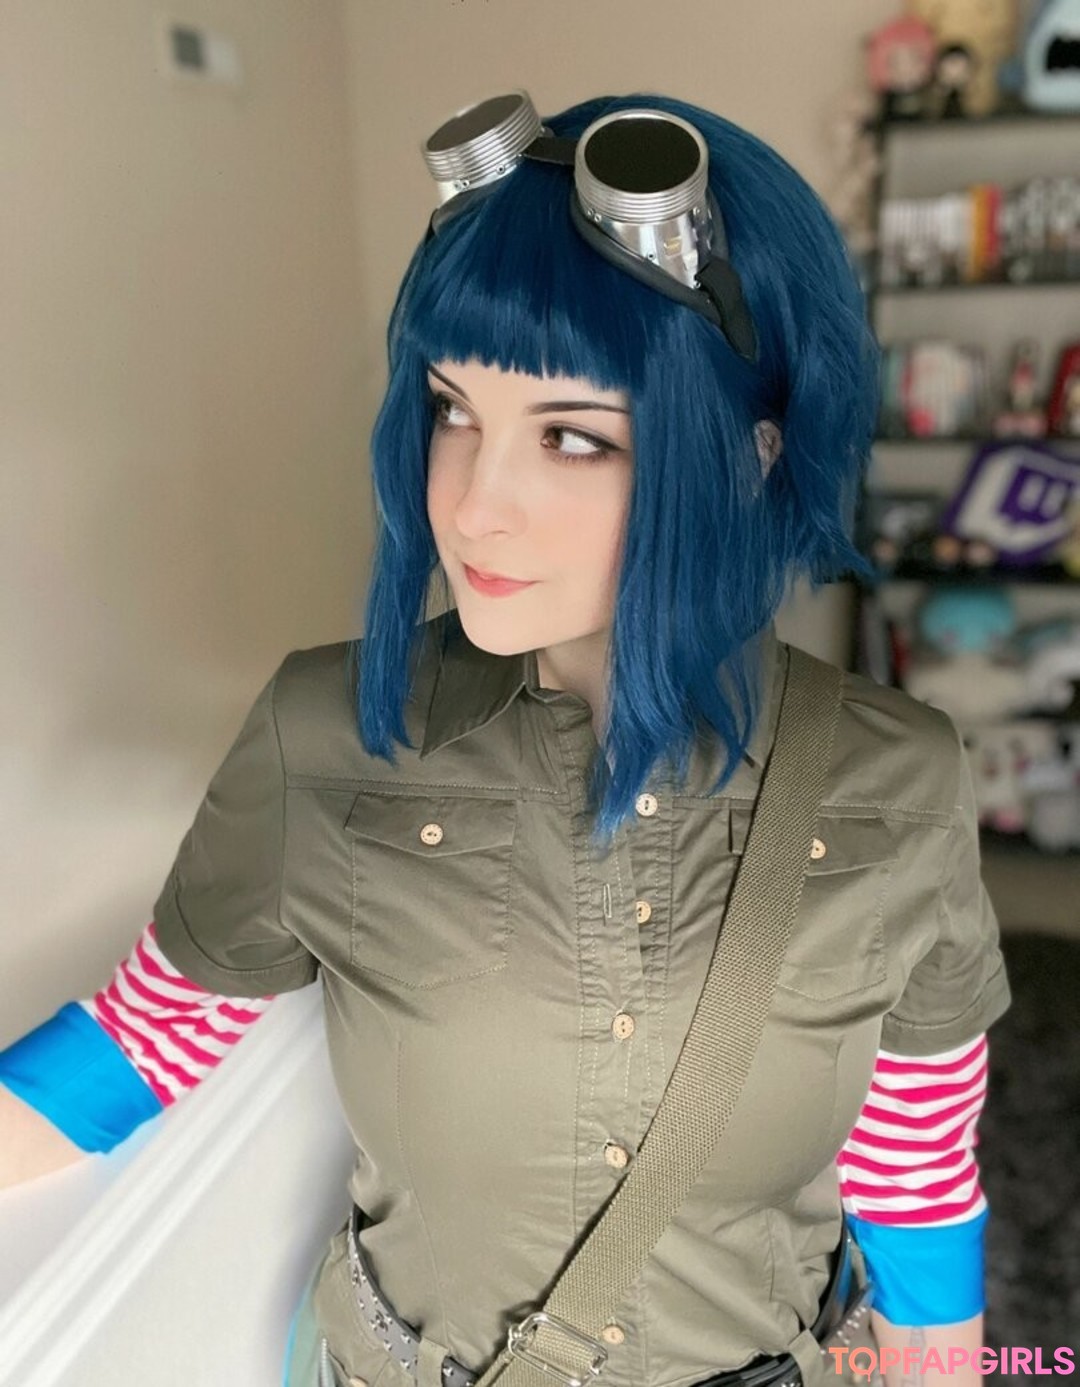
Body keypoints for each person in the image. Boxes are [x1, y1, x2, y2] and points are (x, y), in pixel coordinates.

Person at [0, 91, 1010, 1387]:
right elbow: (147, 1035)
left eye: (574, 437)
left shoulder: (899, 780)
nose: (475, 504)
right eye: (452, 410)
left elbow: (914, 1172)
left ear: (754, 452)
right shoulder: (326, 732)